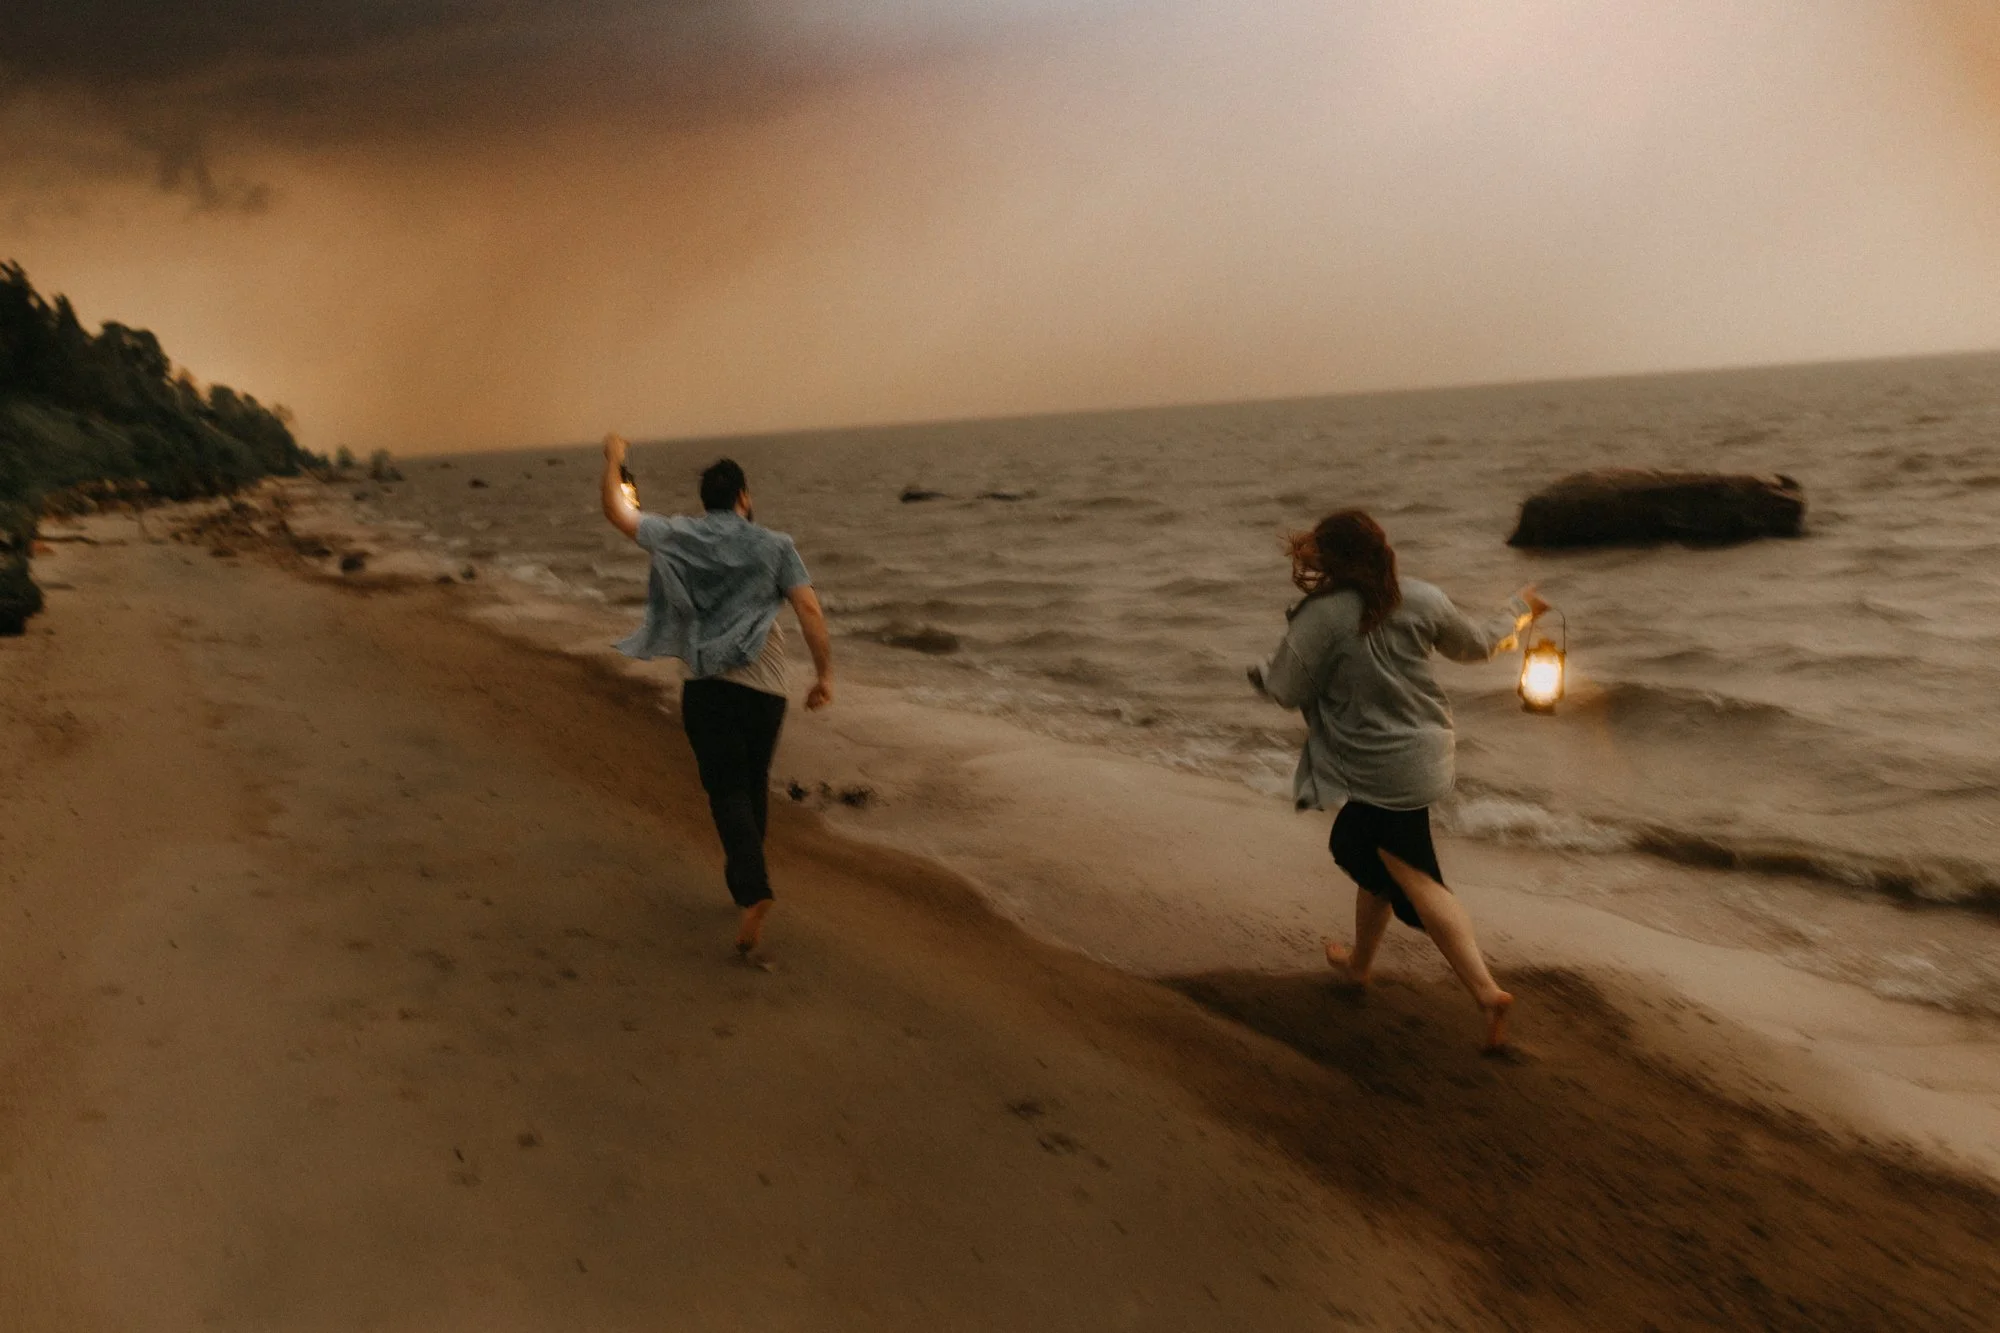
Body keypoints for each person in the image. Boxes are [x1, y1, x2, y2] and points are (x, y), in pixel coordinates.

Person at [1249, 509, 1545, 1050]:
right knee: (1386, 859)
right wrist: (1520, 609)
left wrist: (1264, 676)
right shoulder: (1422, 597)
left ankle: (1486, 991)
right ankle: (1360, 967)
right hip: (1428, 755)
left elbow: (1287, 689)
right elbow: (1478, 645)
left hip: (1375, 765)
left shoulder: (1322, 617)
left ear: (1332, 559)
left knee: (1402, 870)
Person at [600, 433, 834, 962]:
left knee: (726, 790)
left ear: (706, 500)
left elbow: (617, 511)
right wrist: (825, 677)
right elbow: (810, 613)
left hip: (707, 689)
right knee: (750, 788)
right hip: (767, 693)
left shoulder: (679, 535)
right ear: (744, 499)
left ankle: (753, 891)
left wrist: (614, 459)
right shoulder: (777, 545)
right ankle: (743, 887)